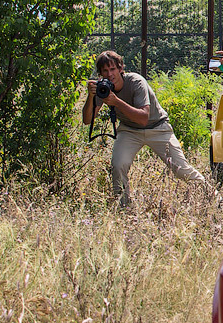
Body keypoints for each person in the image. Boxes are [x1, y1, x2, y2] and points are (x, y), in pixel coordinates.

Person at [83, 51, 207, 207]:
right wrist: (91, 96)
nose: (110, 74)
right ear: (100, 74)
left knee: (180, 169)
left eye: (113, 69)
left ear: (121, 68)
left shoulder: (136, 81)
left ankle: (214, 199)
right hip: (129, 130)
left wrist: (116, 102)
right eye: (105, 71)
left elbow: (143, 118)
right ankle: (124, 209)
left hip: (157, 127)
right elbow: (87, 120)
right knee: (118, 164)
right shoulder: (104, 88)